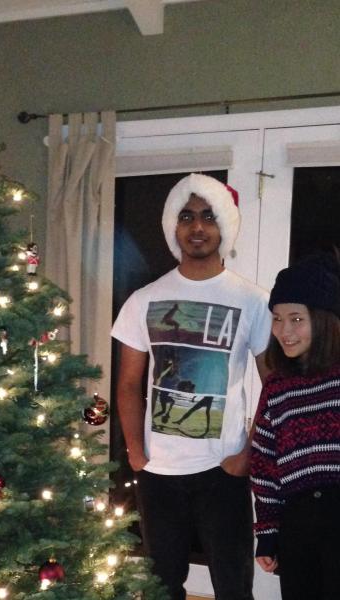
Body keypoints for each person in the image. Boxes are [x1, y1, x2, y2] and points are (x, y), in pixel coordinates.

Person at [112, 173, 271, 600]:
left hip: (223, 470)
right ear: (173, 226)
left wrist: (247, 454)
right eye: (186, 216)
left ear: (224, 226)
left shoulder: (253, 300)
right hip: (159, 472)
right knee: (162, 586)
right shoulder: (144, 299)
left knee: (233, 584)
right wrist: (136, 453)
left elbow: (275, 386)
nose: (197, 227)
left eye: (207, 216)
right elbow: (128, 385)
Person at [250, 254, 340, 600]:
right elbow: (264, 465)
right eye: (277, 319)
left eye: (296, 319)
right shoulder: (277, 388)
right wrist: (268, 533)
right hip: (298, 527)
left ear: (323, 320)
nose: (284, 331)